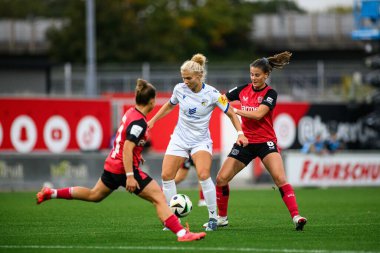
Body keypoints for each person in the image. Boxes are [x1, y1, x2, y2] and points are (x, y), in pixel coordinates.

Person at [36, 79, 206, 242]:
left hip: (112, 165)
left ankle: (52, 193)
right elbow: (126, 148)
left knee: (94, 195)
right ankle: (182, 233)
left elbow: (127, 144)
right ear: (152, 101)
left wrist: (137, 156)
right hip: (124, 169)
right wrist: (130, 176)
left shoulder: (132, 112)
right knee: (159, 198)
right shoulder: (139, 122)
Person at [148, 53, 248, 231]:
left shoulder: (213, 94)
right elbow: (170, 105)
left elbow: (231, 113)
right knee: (166, 176)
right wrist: (153, 120)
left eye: (188, 78)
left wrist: (240, 133)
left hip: (201, 141)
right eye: (183, 78)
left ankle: (212, 218)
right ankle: (172, 219)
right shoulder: (179, 89)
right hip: (179, 138)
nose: (185, 81)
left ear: (199, 76)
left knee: (203, 175)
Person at [213, 52, 307, 231]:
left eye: (257, 75)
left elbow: (258, 114)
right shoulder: (242, 90)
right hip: (246, 142)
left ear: (266, 75)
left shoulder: (271, 93)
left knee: (280, 178)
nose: (253, 78)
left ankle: (296, 216)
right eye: (251, 74)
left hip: (266, 143)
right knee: (221, 178)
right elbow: (221, 98)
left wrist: (235, 110)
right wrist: (216, 100)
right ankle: (222, 218)